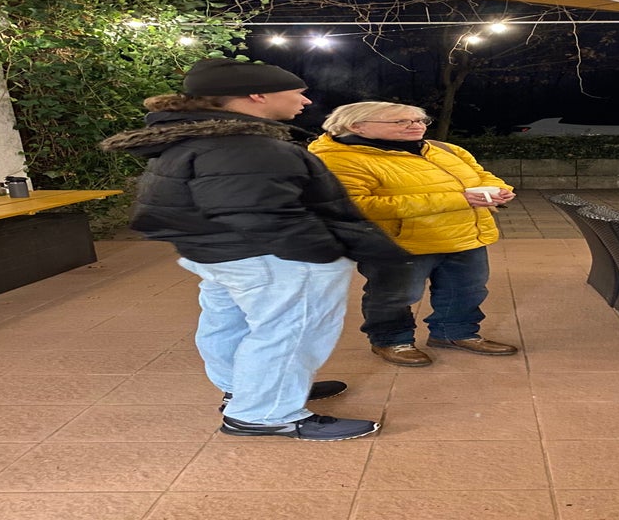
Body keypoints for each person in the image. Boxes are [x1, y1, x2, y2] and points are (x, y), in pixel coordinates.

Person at [100, 58, 405, 441]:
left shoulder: (200, 138)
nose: (306, 101)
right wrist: (326, 252)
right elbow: (264, 214)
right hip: (273, 257)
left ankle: (249, 389)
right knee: (291, 331)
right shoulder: (244, 146)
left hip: (222, 252)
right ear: (257, 95)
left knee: (229, 323)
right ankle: (265, 412)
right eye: (297, 92)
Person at [308, 101, 518, 367]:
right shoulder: (337, 158)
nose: (416, 126)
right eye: (401, 121)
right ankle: (392, 340)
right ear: (356, 126)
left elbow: (480, 175)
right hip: (399, 243)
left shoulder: (442, 149)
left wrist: (499, 190)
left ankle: (455, 333)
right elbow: (359, 206)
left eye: (419, 120)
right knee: (395, 295)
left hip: (465, 234)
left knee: (466, 289)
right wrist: (458, 199)